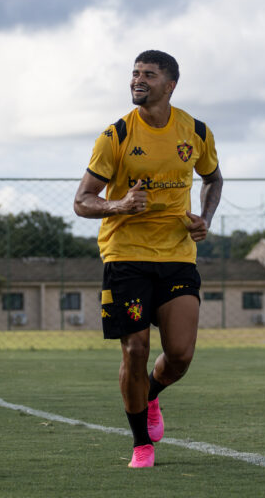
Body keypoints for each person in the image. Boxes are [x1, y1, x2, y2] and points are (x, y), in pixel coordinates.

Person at [74, 50, 222, 468]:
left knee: (180, 356)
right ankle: (141, 443)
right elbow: (82, 202)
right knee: (134, 350)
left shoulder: (195, 131)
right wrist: (119, 205)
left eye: (149, 75)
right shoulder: (115, 136)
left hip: (177, 256)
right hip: (126, 257)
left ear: (170, 85)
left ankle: (151, 394)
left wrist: (204, 218)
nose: (138, 80)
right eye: (135, 74)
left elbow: (214, 178)